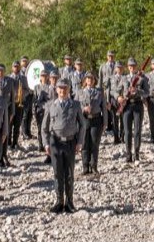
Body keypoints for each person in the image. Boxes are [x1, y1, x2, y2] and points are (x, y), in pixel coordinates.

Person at [43, 79, 82, 212]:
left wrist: (80, 142)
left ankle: (69, 202)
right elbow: (44, 127)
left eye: (64, 88)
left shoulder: (75, 105)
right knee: (57, 173)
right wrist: (46, 143)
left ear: (69, 89)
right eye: (60, 88)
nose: (62, 90)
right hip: (55, 143)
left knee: (69, 174)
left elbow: (82, 124)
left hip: (71, 143)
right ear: (56, 90)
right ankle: (59, 201)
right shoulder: (50, 105)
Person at [115, 57, 147, 163]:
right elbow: (117, 90)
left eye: (133, 66)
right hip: (127, 106)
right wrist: (118, 97)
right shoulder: (124, 79)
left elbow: (147, 92)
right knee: (127, 132)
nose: (132, 67)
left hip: (138, 105)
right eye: (130, 66)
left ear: (136, 67)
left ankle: (136, 154)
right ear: (128, 67)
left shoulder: (142, 78)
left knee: (137, 131)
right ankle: (128, 154)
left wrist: (137, 91)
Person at [75, 70, 105, 174]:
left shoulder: (99, 92)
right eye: (87, 78)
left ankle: (94, 166)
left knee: (94, 144)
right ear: (85, 80)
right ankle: (85, 167)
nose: (89, 80)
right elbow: (75, 107)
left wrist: (105, 123)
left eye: (91, 79)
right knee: (84, 144)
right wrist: (83, 109)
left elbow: (104, 108)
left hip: (96, 120)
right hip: (84, 120)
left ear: (94, 80)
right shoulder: (80, 92)